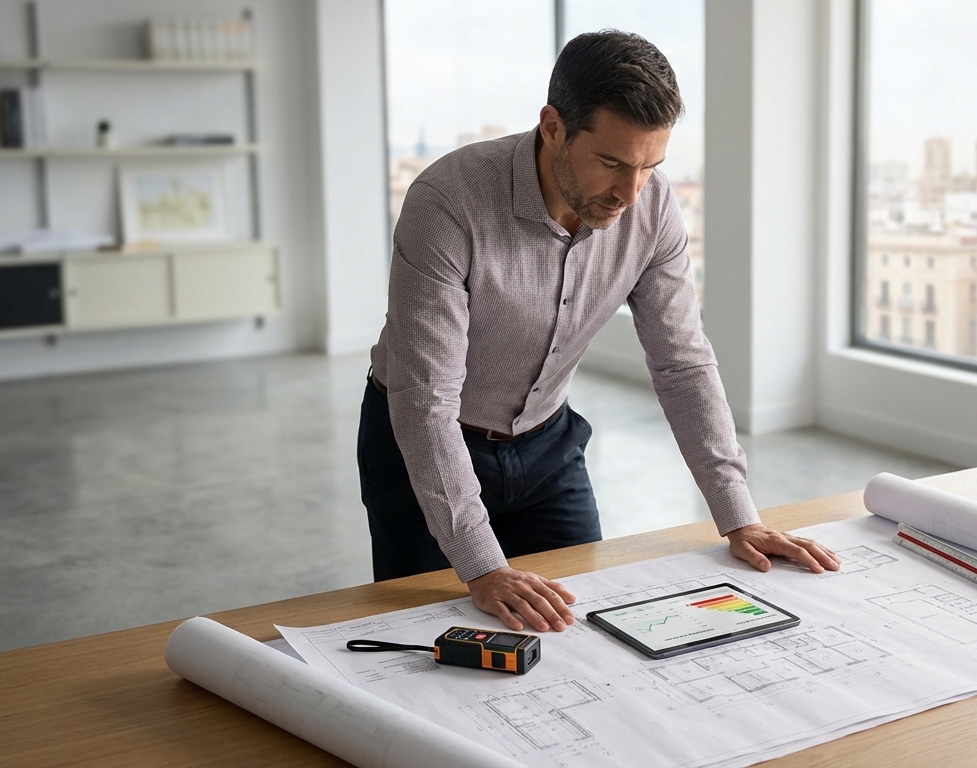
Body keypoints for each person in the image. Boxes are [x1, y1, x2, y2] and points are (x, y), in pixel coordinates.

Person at [359, 30, 840, 634]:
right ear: (553, 127)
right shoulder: (448, 201)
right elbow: (427, 401)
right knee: (427, 640)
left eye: (648, 167)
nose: (629, 193)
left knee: (583, 625)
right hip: (420, 443)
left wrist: (739, 516)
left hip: (548, 447)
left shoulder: (651, 206)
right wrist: (483, 567)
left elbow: (682, 362)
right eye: (612, 163)